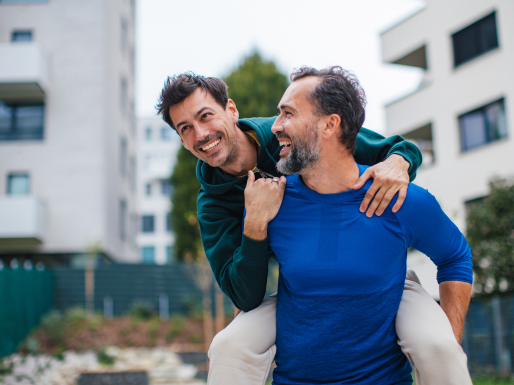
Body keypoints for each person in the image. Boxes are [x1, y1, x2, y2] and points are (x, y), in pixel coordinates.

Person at [155, 72, 469, 384]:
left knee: (439, 347)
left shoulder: (290, 134)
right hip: (298, 287)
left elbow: (371, 144)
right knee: (227, 345)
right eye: (186, 128)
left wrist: (401, 161)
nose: (201, 133)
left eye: (205, 116)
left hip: (385, 279)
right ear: (182, 139)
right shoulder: (214, 204)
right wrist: (254, 225)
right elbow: (244, 295)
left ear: (232, 111)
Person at [244, 66, 473, 384]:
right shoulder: (271, 202)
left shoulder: (401, 200)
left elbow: (455, 256)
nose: (276, 127)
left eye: (287, 114)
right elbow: (246, 295)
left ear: (329, 124)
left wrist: (448, 345)